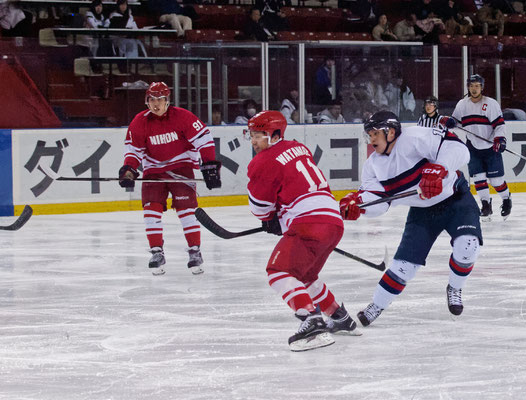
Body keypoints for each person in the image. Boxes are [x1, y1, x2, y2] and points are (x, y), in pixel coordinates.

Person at [340, 111, 481, 327]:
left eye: (375, 133)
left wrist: (440, 168)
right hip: (422, 211)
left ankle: (455, 287)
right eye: (369, 134)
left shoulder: (415, 137)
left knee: (468, 246)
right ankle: (376, 305)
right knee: (403, 266)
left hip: (456, 200)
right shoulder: (373, 166)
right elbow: (380, 201)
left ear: (391, 132)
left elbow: (459, 149)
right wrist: (359, 206)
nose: (371, 139)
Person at [244, 110, 360, 351]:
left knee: (278, 271)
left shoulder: (262, 161)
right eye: (251, 135)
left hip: (308, 222)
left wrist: (270, 219)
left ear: (275, 135)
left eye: (259, 135)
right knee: (304, 276)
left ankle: (312, 321)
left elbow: (260, 207)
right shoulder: (298, 147)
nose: (254, 141)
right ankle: (339, 317)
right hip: (332, 222)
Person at [118, 82, 222, 275]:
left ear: (167, 101)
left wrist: (209, 164)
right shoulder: (139, 121)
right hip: (153, 171)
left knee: (186, 210)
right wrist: (129, 169)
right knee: (151, 210)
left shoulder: (182, 117)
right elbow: (133, 150)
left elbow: (204, 139)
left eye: (160, 100)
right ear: (147, 102)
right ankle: (157, 252)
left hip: (181, 169)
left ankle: (194, 251)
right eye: (152, 100)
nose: (156, 104)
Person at [451, 74, 512, 221]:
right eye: (471, 86)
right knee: (478, 178)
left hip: (491, 147)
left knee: (496, 181)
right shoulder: (462, 104)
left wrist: (500, 139)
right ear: (468, 87)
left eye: (477, 86)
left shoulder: (490, 104)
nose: (474, 88)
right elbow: (456, 122)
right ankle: (486, 204)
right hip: (473, 146)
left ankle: (506, 199)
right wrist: (449, 122)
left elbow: (499, 125)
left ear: (482, 87)